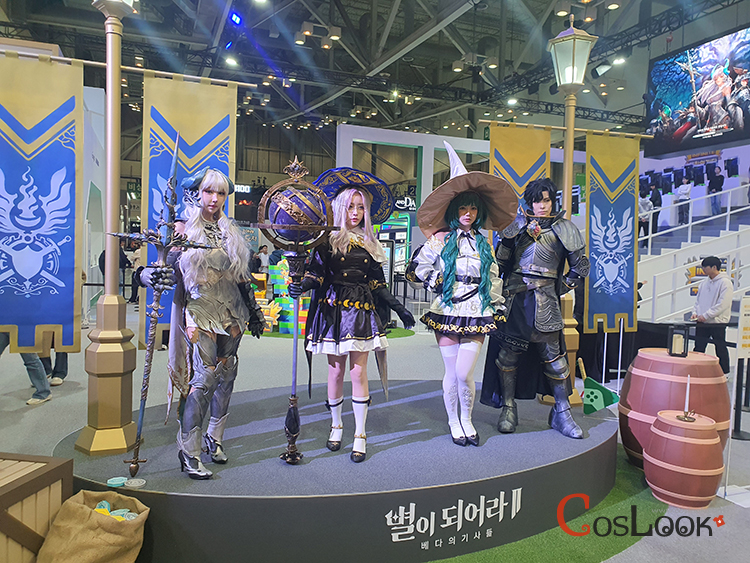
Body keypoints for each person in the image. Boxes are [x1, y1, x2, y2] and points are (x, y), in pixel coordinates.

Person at [141, 168, 266, 479]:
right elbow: (158, 268)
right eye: (209, 191)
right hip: (200, 311)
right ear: (196, 193)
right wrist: (147, 275)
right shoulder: (182, 230)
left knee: (227, 373)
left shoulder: (230, 232)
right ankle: (189, 451)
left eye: (221, 193)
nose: (214, 198)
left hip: (233, 313)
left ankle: (215, 438)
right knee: (204, 379)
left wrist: (254, 310)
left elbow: (242, 277)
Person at [289, 167, 415, 463]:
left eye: (361, 207)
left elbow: (378, 284)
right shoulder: (325, 241)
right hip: (333, 311)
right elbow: (316, 275)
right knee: (335, 371)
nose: (356, 213)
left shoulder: (371, 244)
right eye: (350, 206)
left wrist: (398, 308)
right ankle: (336, 426)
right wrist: (301, 285)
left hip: (360, 311)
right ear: (339, 208)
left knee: (359, 372)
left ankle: (360, 433)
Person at [413, 142, 514, 447]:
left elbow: (493, 278)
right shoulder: (440, 239)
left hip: (477, 312)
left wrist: (497, 305)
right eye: (462, 208)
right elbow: (417, 269)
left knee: (464, 372)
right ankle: (454, 422)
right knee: (451, 371)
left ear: (479, 212)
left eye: (473, 208)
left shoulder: (484, 244)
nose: (468, 214)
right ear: (454, 210)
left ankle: (467, 419)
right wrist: (436, 280)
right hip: (447, 310)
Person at [485, 178, 590, 439]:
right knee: (508, 356)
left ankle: (562, 412)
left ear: (553, 201)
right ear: (528, 203)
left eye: (546, 200)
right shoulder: (515, 226)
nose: (542, 206)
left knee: (555, 361)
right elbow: (500, 264)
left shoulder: (565, 228)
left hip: (546, 300)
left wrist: (559, 288)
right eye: (536, 201)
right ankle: (508, 408)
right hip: (515, 301)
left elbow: (580, 267)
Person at [691, 256, 733, 374]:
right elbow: (698, 302)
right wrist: (695, 313)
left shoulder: (725, 283)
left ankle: (725, 372)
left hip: (717, 322)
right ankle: (695, 371)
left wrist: (707, 315)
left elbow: (723, 304)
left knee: (720, 347)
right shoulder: (704, 283)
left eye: (706, 267)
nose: (703, 269)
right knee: (699, 347)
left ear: (714, 267)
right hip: (702, 321)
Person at [0, 332, 51, 405]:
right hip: (3, 328)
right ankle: (43, 392)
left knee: (31, 359)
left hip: (21, 329)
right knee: (31, 360)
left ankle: (43, 393)